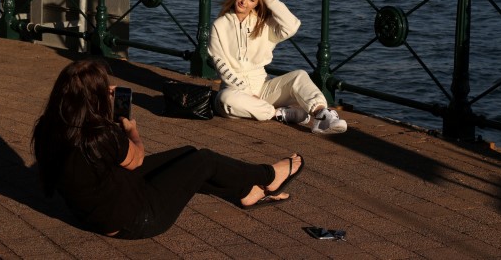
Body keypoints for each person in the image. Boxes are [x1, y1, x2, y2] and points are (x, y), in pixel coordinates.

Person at [31, 58, 304, 239]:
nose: (110, 90)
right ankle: (268, 175)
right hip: (136, 218)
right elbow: (136, 159)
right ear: (92, 96)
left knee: (188, 154)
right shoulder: (99, 135)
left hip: (99, 209)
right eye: (104, 88)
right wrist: (130, 129)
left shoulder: (49, 126)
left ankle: (246, 192)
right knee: (203, 161)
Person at [208, 0, 347, 134]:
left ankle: (322, 115)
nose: (244, 1)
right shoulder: (219, 25)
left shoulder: (263, 24)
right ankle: (279, 114)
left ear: (257, 4)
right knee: (224, 99)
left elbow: (292, 25)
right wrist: (248, 94)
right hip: (235, 92)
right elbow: (220, 64)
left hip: (263, 88)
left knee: (299, 76)